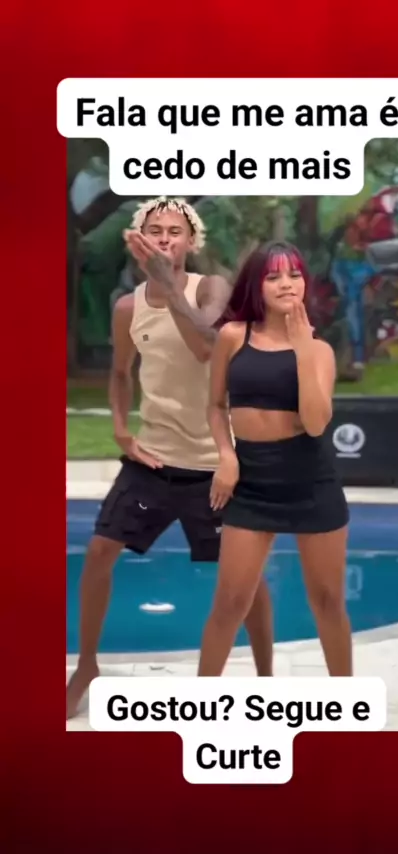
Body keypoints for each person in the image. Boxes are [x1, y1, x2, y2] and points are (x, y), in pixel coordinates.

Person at [67, 197, 274, 718]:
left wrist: (167, 284)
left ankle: (268, 680)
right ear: (138, 239)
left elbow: (206, 345)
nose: (164, 239)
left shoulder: (210, 288)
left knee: (247, 580)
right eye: (154, 230)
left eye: (174, 231)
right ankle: (86, 665)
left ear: (190, 241)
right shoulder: (127, 308)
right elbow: (120, 373)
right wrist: (120, 428)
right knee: (99, 552)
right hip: (153, 464)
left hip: (214, 466)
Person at [197, 241, 352, 677]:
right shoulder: (234, 336)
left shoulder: (319, 351)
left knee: (328, 602)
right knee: (230, 602)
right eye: (273, 276)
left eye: (295, 275)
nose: (286, 284)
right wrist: (226, 456)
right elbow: (215, 405)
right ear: (257, 285)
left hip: (310, 482)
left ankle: (347, 702)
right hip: (251, 483)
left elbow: (316, 424)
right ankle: (198, 702)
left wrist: (302, 349)